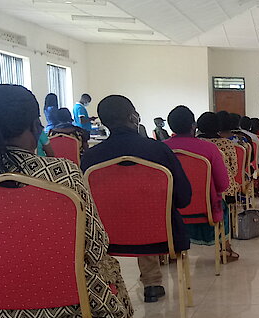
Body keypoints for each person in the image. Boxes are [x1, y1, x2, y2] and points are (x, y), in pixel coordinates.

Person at [0, 84, 163, 318]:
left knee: (38, 262)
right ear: (35, 126)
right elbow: (95, 245)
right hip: (71, 303)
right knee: (96, 265)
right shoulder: (61, 174)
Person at [81, 95, 192, 304]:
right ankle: (152, 283)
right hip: (160, 236)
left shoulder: (90, 158)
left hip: (107, 238)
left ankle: (110, 289)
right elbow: (183, 198)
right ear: (134, 117)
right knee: (148, 212)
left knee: (130, 211)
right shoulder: (159, 150)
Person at [163, 106, 232, 256]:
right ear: (193, 125)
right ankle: (225, 249)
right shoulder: (210, 149)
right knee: (223, 206)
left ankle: (168, 252)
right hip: (206, 208)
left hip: (170, 210)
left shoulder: (162, 148)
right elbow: (223, 185)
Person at [196, 111, 241, 261]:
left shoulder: (193, 145)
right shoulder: (226, 144)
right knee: (223, 206)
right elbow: (233, 171)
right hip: (221, 191)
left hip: (192, 192)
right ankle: (225, 248)